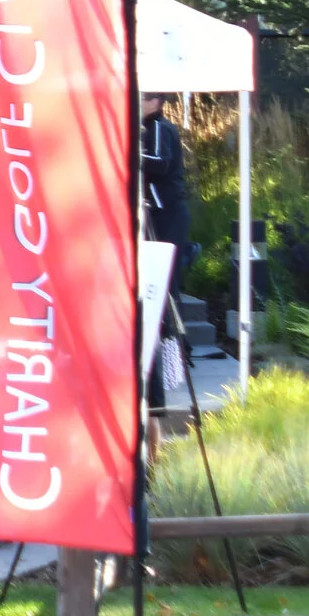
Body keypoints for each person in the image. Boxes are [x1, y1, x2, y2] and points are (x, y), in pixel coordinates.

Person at [142, 94, 195, 408]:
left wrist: (128, 153)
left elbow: (160, 164)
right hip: (157, 213)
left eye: (144, 99)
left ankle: (177, 358)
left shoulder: (159, 127)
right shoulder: (148, 128)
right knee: (160, 287)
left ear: (156, 102)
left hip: (167, 214)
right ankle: (165, 362)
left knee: (167, 286)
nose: (139, 103)